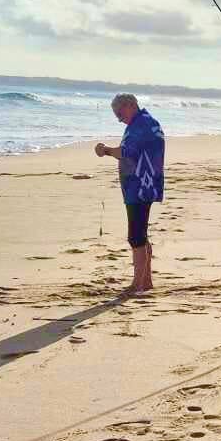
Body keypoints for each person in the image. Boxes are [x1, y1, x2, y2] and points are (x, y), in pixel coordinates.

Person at [93, 93, 164, 294]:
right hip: (144, 184)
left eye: (119, 112)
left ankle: (138, 284)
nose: (118, 118)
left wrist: (105, 150)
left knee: (136, 236)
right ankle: (146, 281)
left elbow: (126, 152)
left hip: (140, 186)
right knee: (140, 233)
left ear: (131, 105)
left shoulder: (141, 124)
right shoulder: (146, 122)